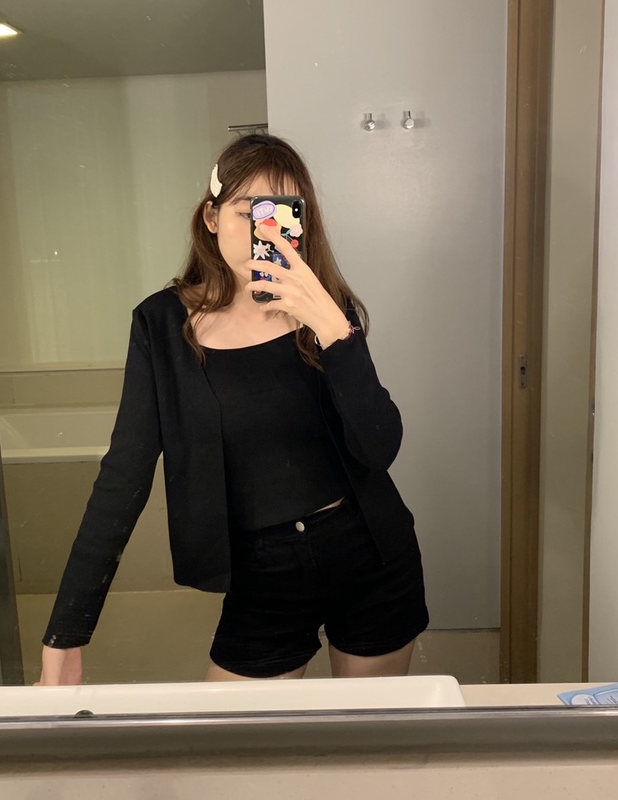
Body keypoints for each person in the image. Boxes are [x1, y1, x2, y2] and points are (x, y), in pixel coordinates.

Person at [38, 133, 429, 685]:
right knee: (241, 737)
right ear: (212, 217)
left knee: (365, 731)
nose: (265, 231)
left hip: (370, 552)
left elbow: (379, 446)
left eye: (283, 213)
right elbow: (123, 475)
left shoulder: (325, 311)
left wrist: (334, 329)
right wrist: (67, 631)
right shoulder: (162, 326)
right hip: (261, 573)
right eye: (249, 211)